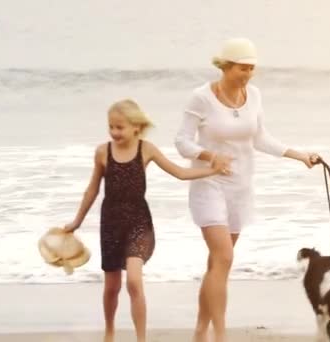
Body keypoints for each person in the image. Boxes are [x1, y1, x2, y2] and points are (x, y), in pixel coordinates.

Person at [174, 38, 320, 342]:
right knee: (224, 257)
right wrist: (210, 156)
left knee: (217, 264)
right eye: (243, 68)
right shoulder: (201, 97)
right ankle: (220, 335)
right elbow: (182, 142)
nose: (248, 74)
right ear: (226, 66)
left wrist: (300, 155)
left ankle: (200, 331)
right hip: (208, 184)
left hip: (240, 188)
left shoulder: (253, 95)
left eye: (252, 68)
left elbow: (260, 138)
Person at [63, 99, 225, 342]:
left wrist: (211, 170)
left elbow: (180, 173)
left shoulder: (146, 149)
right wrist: (77, 222)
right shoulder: (102, 152)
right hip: (111, 223)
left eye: (120, 127)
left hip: (139, 222)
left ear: (136, 127)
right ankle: (110, 331)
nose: (115, 132)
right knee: (112, 287)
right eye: (111, 127)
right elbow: (92, 190)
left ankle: (141, 338)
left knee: (135, 282)